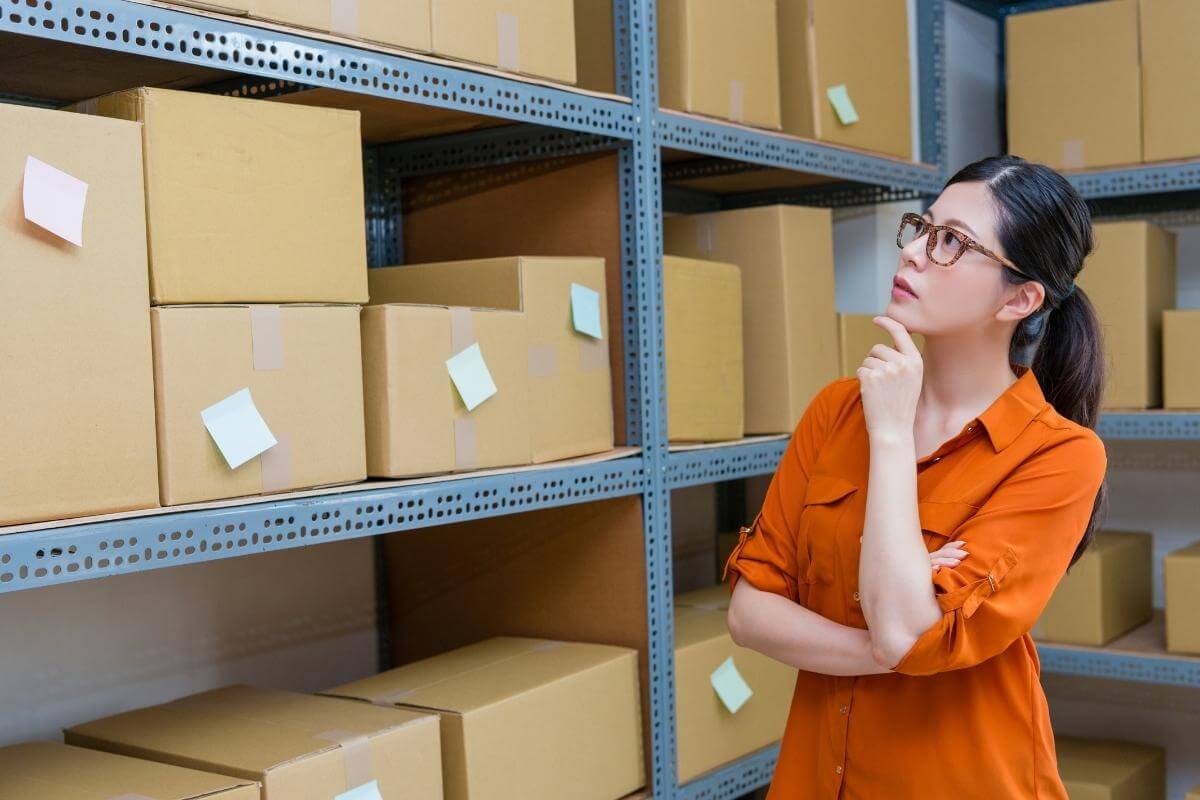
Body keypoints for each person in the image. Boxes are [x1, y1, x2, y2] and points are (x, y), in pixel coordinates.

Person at [723, 154, 1109, 799]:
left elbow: (907, 630)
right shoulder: (835, 412)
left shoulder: (1061, 456)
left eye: (953, 242)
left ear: (1020, 298)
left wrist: (894, 435)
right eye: (922, 228)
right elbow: (751, 612)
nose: (914, 255)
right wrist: (884, 644)